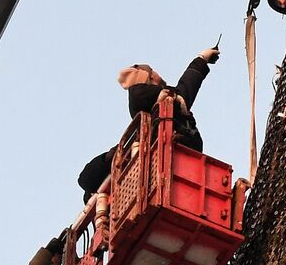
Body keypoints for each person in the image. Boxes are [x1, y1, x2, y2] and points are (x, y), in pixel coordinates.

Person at [76, 46, 221, 201]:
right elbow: (183, 92)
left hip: (154, 185)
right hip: (174, 174)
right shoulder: (163, 106)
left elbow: (85, 180)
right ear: (150, 78)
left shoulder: (137, 137)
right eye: (154, 71)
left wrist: (113, 156)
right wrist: (201, 60)